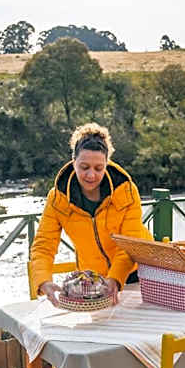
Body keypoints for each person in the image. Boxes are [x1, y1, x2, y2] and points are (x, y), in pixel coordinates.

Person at [30, 123, 152, 305]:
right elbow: (43, 245)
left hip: (140, 272)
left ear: (107, 164)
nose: (91, 175)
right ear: (73, 162)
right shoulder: (56, 198)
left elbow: (130, 243)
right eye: (84, 167)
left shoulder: (127, 190)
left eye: (98, 168)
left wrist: (115, 279)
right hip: (92, 281)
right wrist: (43, 281)